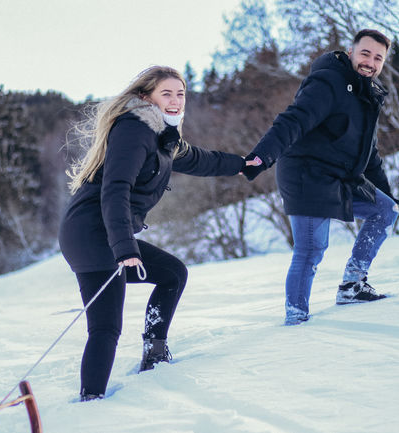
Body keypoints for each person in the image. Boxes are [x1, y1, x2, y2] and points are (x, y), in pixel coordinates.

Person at [59, 66, 256, 401]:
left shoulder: (162, 136)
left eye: (180, 94)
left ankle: (154, 351)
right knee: (106, 327)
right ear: (145, 97)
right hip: (94, 233)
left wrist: (242, 165)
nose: (176, 100)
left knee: (172, 274)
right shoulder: (134, 129)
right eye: (166, 93)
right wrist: (123, 246)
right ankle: (90, 401)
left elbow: (198, 160)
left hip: (104, 231)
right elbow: (115, 189)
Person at [242, 29, 399, 325]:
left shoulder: (369, 94)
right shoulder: (329, 81)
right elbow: (294, 120)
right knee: (311, 250)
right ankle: (296, 317)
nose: (370, 62)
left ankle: (353, 285)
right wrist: (262, 155)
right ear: (351, 52)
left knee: (385, 208)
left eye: (378, 58)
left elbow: (370, 151)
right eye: (365, 53)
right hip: (307, 174)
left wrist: (386, 191)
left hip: (340, 176)